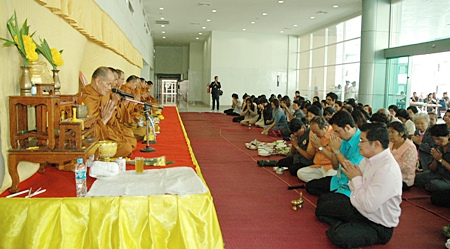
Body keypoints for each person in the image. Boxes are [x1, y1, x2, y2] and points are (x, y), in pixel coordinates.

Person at [316, 122, 402, 248]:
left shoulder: (387, 170)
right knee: (322, 207)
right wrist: (356, 180)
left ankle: (349, 227)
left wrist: (356, 179)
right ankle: (350, 225)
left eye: (362, 141)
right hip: (358, 208)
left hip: (376, 224)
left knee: (338, 236)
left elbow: (368, 205)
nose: (359, 144)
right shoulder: (368, 159)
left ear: (376, 144)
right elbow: (352, 186)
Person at [81, 67, 137, 157]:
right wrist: (104, 120)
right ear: (98, 81)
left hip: (105, 129)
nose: (110, 88)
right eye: (108, 84)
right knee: (126, 147)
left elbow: (115, 118)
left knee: (130, 139)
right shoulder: (87, 98)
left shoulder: (99, 94)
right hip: (94, 137)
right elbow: (89, 131)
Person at [306, 110, 364, 196]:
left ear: (347, 127)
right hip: (338, 179)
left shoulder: (361, 142)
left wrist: (336, 151)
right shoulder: (343, 139)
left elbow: (350, 169)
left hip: (349, 186)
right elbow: (335, 166)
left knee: (323, 204)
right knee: (310, 186)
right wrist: (334, 150)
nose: (336, 135)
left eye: (337, 131)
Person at [297, 116, 335, 182]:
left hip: (331, 167)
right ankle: (321, 182)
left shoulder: (334, 134)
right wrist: (314, 145)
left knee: (330, 177)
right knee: (300, 173)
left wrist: (320, 147)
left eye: (316, 132)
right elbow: (309, 155)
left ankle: (321, 183)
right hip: (319, 166)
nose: (314, 134)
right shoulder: (313, 133)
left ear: (325, 128)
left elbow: (334, 158)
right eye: (313, 131)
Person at [414, 124, 450, 192]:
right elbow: (432, 169)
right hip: (438, 174)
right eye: (434, 139)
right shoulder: (438, 148)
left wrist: (441, 160)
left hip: (448, 178)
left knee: (434, 185)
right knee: (416, 178)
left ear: (448, 136)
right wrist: (436, 160)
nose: (436, 141)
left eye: (439, 139)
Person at [388, 122, 417, 190]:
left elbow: (408, 167)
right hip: (389, 174)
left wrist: (389, 165)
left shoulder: (410, 147)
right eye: (388, 132)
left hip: (403, 179)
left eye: (392, 132)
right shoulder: (390, 143)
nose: (390, 135)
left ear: (401, 133)